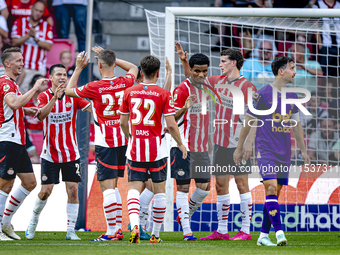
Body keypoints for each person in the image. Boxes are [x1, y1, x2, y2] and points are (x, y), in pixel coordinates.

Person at [176, 42, 256, 241]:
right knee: (221, 185)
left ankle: (245, 230)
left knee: (242, 185)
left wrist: (247, 144)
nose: (219, 65)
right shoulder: (217, 80)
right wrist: (185, 62)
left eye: (223, 61)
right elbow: (193, 78)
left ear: (234, 63)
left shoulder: (247, 86)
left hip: (238, 143)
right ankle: (222, 230)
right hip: (220, 144)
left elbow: (255, 117)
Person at [234, 56, 311, 246]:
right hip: (265, 149)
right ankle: (280, 233)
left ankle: (262, 236)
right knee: (269, 188)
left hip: (284, 152)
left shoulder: (292, 96)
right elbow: (249, 121)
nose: (295, 72)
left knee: (274, 195)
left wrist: (304, 150)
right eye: (292, 68)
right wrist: (241, 146)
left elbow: (297, 124)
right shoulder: (261, 94)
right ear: (281, 71)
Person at [65, 47, 138, 241]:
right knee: (113, 186)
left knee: (107, 187)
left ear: (98, 65)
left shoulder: (94, 86)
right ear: (115, 64)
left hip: (105, 142)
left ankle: (112, 231)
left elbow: (69, 91)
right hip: (124, 140)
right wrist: (113, 58)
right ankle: (117, 229)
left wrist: (79, 68)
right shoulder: (125, 82)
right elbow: (133, 68)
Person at [119, 55, 187, 244]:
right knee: (159, 191)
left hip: (135, 149)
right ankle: (155, 235)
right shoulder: (164, 94)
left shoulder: (129, 92)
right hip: (157, 150)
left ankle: (134, 227)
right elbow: (172, 125)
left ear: (141, 72)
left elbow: (123, 122)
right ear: (158, 73)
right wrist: (180, 143)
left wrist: (130, 137)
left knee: (133, 188)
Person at [25, 63, 91, 240]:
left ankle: (70, 231)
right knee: (45, 191)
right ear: (51, 78)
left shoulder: (73, 96)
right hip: (50, 153)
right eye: (59, 74)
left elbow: (91, 107)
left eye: (65, 75)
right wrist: (54, 98)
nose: (62, 77)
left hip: (71, 152)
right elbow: (40, 116)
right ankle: (33, 220)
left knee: (73, 190)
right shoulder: (44, 96)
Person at [0, 47, 47, 240]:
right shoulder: (5, 83)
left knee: (29, 182)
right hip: (7, 139)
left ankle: (5, 224)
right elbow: (13, 104)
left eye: (22, 60)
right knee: (5, 185)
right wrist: (35, 88)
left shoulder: (13, 84)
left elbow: (14, 107)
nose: (22, 63)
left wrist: (26, 111)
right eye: (18, 60)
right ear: (7, 64)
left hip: (17, 140)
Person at [171, 51, 212, 241]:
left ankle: (183, 214)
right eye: (197, 71)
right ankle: (187, 230)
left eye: (204, 71)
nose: (201, 75)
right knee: (183, 188)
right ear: (192, 71)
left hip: (202, 146)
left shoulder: (207, 87)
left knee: (204, 187)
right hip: (183, 146)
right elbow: (171, 119)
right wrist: (184, 108)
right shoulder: (181, 90)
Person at [11, 0, 53, 94]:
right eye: (36, 10)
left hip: (39, 68)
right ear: (31, 9)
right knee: (21, 94)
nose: (38, 13)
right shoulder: (19, 22)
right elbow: (14, 42)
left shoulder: (46, 26)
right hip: (22, 67)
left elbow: (48, 46)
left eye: (40, 11)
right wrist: (28, 36)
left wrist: (36, 38)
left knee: (39, 96)